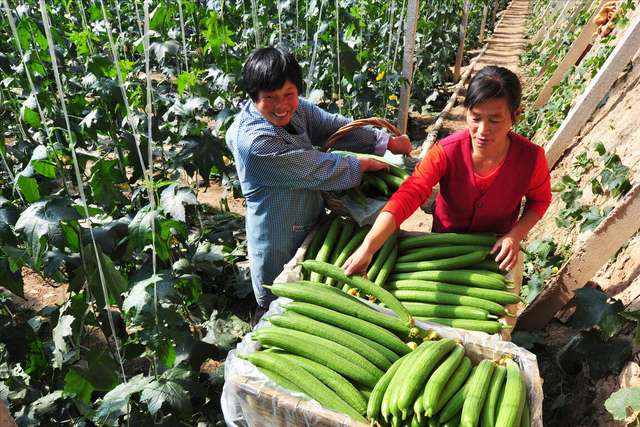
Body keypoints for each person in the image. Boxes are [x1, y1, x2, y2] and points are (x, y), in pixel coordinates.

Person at [226, 46, 413, 324]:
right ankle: (262, 329)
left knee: (310, 292)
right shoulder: (254, 144)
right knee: (278, 299)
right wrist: (363, 164)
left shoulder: (297, 109)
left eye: (289, 94)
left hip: (308, 216)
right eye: (270, 98)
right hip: (276, 232)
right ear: (253, 97)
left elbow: (331, 126)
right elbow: (314, 168)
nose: (282, 105)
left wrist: (382, 142)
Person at [343, 65, 552, 277]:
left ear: (516, 114)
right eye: (475, 117)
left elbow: (540, 200)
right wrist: (368, 248)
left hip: (494, 250)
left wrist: (514, 236)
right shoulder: (446, 151)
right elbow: (410, 193)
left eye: (495, 120)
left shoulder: (531, 159)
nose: (482, 130)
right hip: (443, 244)